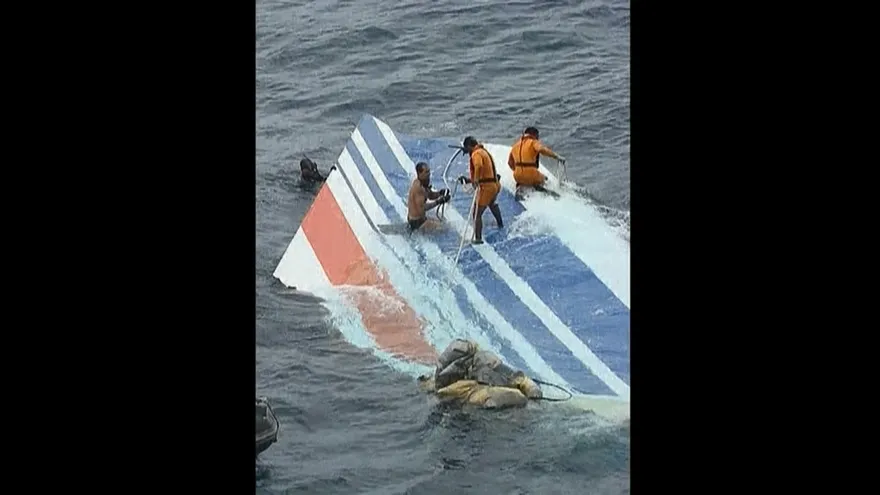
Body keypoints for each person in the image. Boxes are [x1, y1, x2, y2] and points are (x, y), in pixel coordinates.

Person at [417, 338, 543, 409]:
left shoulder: (435, 382)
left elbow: (517, 379)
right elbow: (517, 394)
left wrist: (531, 388)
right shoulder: (473, 391)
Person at [456, 136, 503, 244]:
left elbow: (478, 165)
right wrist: (469, 180)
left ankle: (478, 239)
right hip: (495, 185)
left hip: (487, 188)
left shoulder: (476, 154)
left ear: (469, 146)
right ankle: (500, 224)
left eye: (466, 148)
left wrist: (475, 181)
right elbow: (485, 174)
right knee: (492, 204)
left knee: (476, 214)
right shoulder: (483, 151)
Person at [507, 127, 565, 199]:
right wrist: (556, 156)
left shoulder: (515, 145)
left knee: (524, 180)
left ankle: (520, 189)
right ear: (534, 134)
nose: (538, 138)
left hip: (517, 176)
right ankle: (545, 192)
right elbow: (541, 149)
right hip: (531, 174)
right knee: (545, 179)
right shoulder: (533, 142)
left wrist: (519, 170)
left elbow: (510, 163)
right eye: (537, 136)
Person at [407, 161, 450, 232]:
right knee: (444, 228)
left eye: (429, 171)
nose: (429, 174)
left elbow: (430, 195)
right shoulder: (418, 188)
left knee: (443, 222)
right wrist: (439, 201)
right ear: (420, 173)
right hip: (417, 222)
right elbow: (422, 208)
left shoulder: (423, 182)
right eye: (426, 172)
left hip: (421, 219)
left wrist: (440, 193)